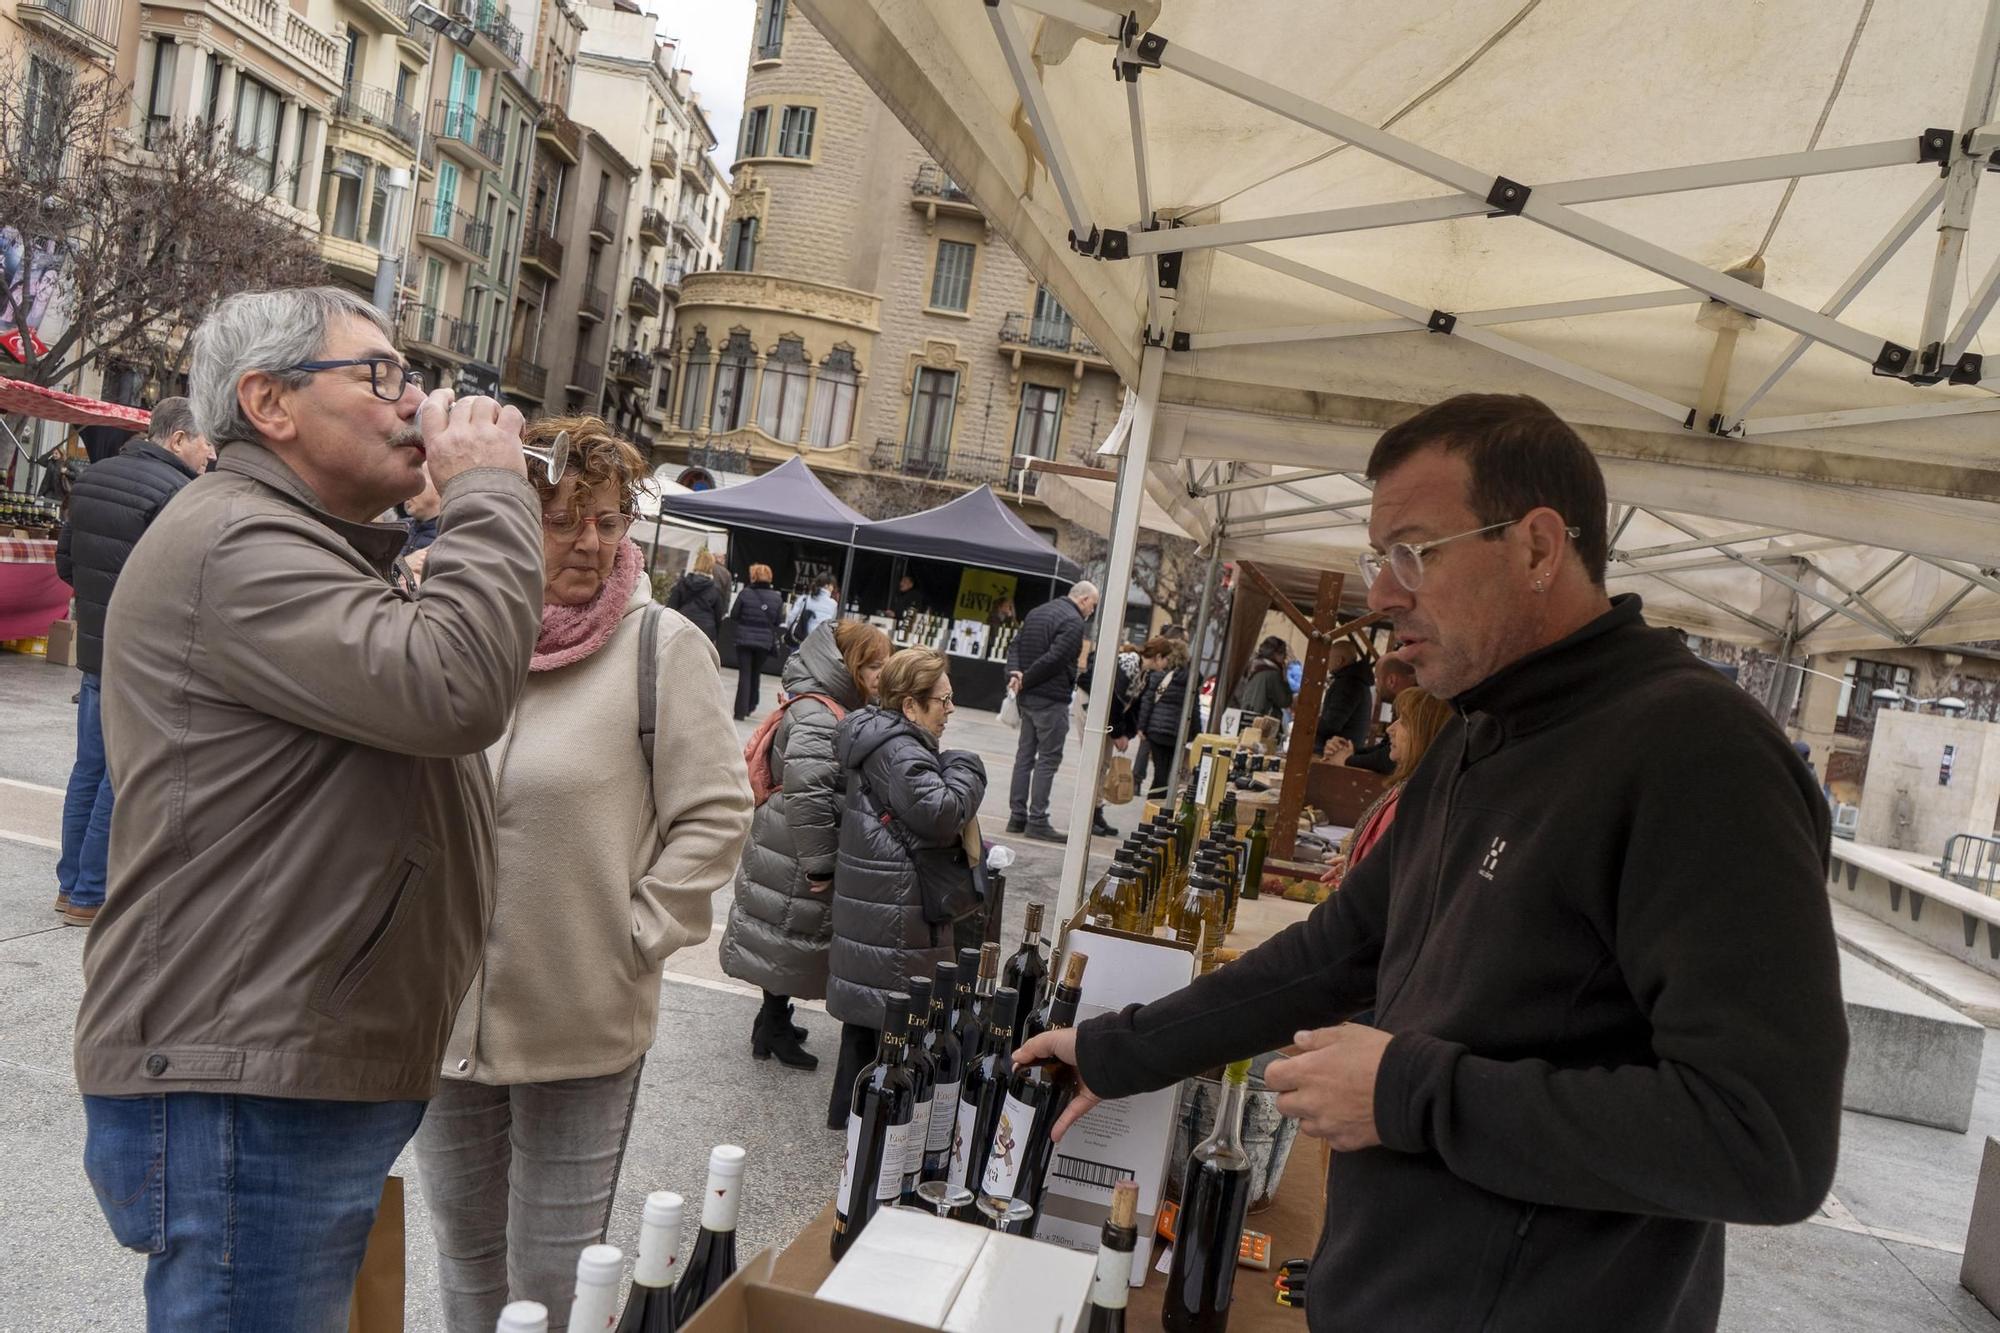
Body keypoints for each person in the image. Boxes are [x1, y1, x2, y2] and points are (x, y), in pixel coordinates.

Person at [1017, 393, 1845, 1332]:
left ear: (1537, 547)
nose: (1380, 593)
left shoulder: (1698, 754)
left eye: (1412, 551)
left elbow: (1764, 1140)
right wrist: (1124, 1048)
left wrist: (1407, 1090)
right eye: (1378, 558)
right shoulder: (1479, 729)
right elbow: (1342, 948)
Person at [74, 286, 546, 1330]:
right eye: (377, 375)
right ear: (269, 403)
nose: (410, 400)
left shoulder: (289, 538)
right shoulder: (236, 542)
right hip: (243, 1076)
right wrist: (489, 500)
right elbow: (454, 689)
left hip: (276, 1058)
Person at [413, 416, 752, 1333]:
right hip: (443, 1016)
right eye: (565, 519)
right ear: (513, 517)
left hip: (582, 1019)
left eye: (608, 519)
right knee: (466, 1256)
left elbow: (717, 813)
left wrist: (632, 936)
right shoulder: (456, 627)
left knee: (556, 1280)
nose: (593, 542)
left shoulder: (662, 646)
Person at [51, 397, 213, 927]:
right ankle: (89, 893)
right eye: (205, 441)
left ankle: (70, 883)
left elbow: (67, 563)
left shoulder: (95, 476)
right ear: (177, 439)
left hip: (96, 646)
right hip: (142, 655)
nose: (210, 454)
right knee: (119, 777)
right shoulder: (179, 494)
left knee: (88, 768)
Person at [824, 647, 987, 1128]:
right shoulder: (900, 750)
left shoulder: (877, 739)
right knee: (892, 1022)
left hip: (876, 896)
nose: (950, 710)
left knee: (865, 1025)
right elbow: (940, 812)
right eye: (943, 701)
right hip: (896, 905)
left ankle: (848, 1121)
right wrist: (967, 767)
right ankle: (872, 1129)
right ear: (911, 706)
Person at [719, 619, 892, 1071]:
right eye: (875, 665)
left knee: (789, 934)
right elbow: (809, 791)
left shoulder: (831, 704)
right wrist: (820, 863)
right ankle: (772, 1026)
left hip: (789, 840)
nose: (882, 673)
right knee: (787, 934)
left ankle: (772, 1018)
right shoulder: (820, 713)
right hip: (797, 846)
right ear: (850, 665)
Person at [1318, 687, 1450, 888]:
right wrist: (1354, 864)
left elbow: (1394, 877)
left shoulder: (1417, 800)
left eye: (1403, 722)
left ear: (1424, 734)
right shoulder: (1406, 788)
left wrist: (1358, 873)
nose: (1391, 729)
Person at [1003, 580, 1099, 841]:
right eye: (1093, 604)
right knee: (1048, 759)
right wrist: (1026, 678)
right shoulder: (1073, 621)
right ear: (1082, 599)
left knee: (1024, 757)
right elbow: (1056, 659)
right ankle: (1037, 819)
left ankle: (1017, 816)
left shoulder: (1037, 612)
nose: (1093, 610)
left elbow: (1015, 645)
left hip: (1028, 698)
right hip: (1050, 698)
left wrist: (1015, 674)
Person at [1323, 655, 1415, 774]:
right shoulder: (1407, 704)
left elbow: (1389, 758)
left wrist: (1347, 759)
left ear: (1391, 680)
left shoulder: (1418, 705)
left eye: (1377, 679)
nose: (1376, 686)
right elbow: (1385, 748)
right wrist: (1349, 752)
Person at [1133, 635, 1194, 801]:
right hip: (1177, 733)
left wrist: (1142, 727)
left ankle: (1153, 807)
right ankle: (1161, 805)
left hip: (1157, 731)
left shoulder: (1158, 675)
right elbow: (1193, 708)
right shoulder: (1191, 677)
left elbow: (1147, 702)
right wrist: (1194, 733)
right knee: (1169, 772)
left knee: (1160, 772)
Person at [728, 562, 786, 719]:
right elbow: (779, 620)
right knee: (756, 672)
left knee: (745, 674)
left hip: (744, 639)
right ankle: (751, 704)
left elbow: (734, 615)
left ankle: (740, 711)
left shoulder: (745, 593)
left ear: (753, 576)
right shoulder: (777, 598)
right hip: (764, 641)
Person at [1314, 641, 1375, 751]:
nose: (1326, 662)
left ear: (1339, 661)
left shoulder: (1347, 684)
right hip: (1345, 748)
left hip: (1336, 751)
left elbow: (1332, 723)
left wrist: (1308, 723)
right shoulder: (1356, 681)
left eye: (1329, 658)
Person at [666, 547, 728, 643]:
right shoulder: (715, 589)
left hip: (682, 626)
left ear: (696, 563)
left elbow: (671, 607)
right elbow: (718, 616)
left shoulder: (683, 583)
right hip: (705, 632)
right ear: (711, 566)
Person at [1231, 634, 1294, 719]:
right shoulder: (1272, 674)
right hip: (1261, 719)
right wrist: (1285, 680)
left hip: (1245, 714)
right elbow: (1285, 701)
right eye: (1283, 654)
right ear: (1275, 654)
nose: (1284, 658)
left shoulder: (1253, 666)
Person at [401, 465, 442, 556]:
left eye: (416, 483)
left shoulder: (451, 536)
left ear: (437, 486)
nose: (408, 491)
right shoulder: (398, 529)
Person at [788, 574, 839, 646]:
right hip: (820, 644)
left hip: (801, 641)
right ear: (827, 585)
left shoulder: (804, 599)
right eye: (832, 585)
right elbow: (831, 625)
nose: (833, 588)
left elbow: (791, 618)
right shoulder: (833, 604)